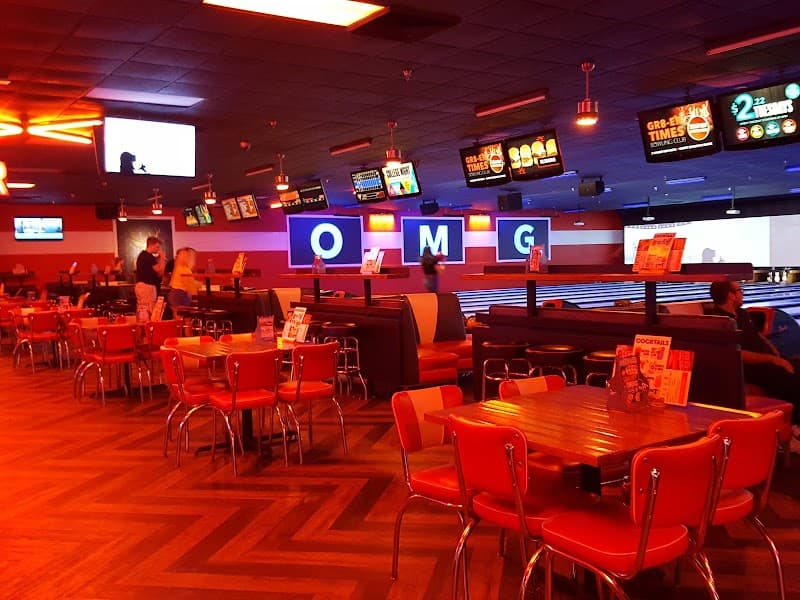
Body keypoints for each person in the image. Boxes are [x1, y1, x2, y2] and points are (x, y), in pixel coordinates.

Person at [709, 280, 800, 451]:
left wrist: (776, 354)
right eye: (739, 290)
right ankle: (794, 430)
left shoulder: (742, 314)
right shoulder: (721, 321)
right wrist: (772, 360)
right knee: (792, 382)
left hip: (768, 360)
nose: (742, 293)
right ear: (730, 295)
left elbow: (759, 337)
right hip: (752, 368)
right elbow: (738, 354)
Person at [167, 247, 201, 315]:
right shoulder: (185, 270)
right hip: (180, 294)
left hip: (173, 293)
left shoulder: (178, 267)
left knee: (177, 318)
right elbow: (190, 287)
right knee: (185, 318)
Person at [135, 236, 165, 310]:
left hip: (142, 286)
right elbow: (160, 271)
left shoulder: (143, 255)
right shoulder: (148, 256)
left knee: (143, 311)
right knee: (149, 311)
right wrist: (162, 257)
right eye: (157, 247)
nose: (158, 249)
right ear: (151, 245)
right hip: (147, 287)